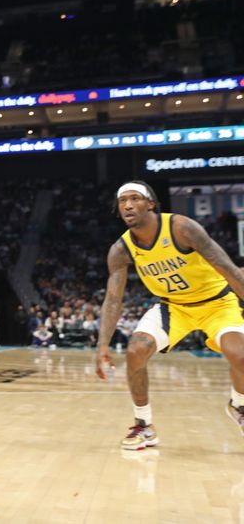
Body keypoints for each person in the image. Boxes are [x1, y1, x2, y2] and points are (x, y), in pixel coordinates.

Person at [96, 181, 244, 451]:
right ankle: (144, 426)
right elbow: (113, 299)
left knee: (240, 355)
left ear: (150, 203)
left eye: (135, 198)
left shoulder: (181, 228)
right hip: (173, 306)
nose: (128, 205)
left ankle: (239, 404)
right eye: (122, 201)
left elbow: (229, 268)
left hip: (217, 302)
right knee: (135, 350)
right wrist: (102, 344)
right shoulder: (121, 249)